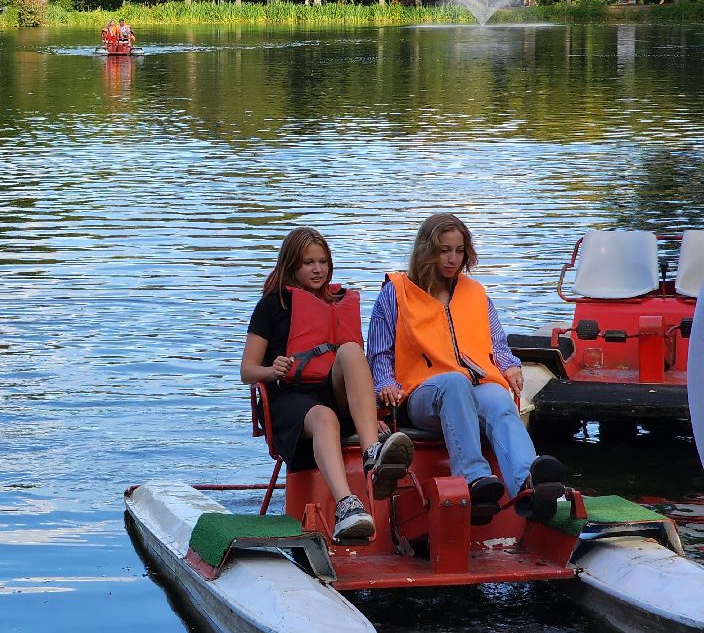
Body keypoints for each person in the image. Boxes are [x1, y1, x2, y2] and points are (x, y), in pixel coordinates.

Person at [366, 212, 567, 521]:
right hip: (420, 394)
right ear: (426, 250)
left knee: (499, 397)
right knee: (454, 384)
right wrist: (384, 385)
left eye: (459, 251)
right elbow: (379, 353)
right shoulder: (396, 293)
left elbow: (496, 343)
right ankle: (474, 480)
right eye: (444, 250)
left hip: (473, 385)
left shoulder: (475, 293)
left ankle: (528, 484)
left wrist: (510, 366)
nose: (452, 259)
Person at [242, 227, 415, 543]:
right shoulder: (272, 305)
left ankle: (372, 452)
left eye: (323, 261)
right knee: (324, 417)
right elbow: (247, 370)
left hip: (334, 393)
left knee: (349, 349)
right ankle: (347, 506)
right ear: (291, 265)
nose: (317, 269)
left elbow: (355, 369)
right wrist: (271, 370)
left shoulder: (338, 301)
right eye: (308, 262)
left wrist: (369, 413)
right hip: (291, 401)